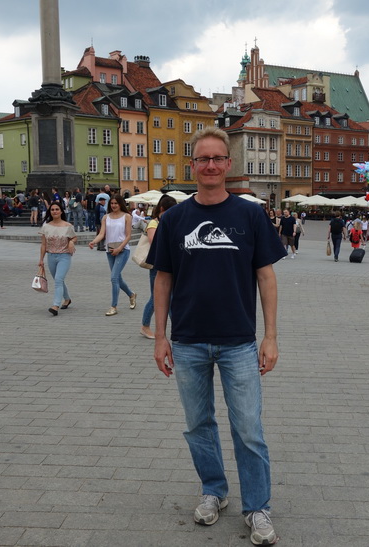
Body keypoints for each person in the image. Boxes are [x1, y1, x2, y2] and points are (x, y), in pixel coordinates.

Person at [149, 127, 285, 546]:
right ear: (192, 166)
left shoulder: (249, 215)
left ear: (228, 165)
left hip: (239, 341)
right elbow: (162, 280)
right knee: (198, 425)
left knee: (248, 428)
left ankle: (257, 507)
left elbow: (266, 276)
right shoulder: (174, 219)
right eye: (202, 159)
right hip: (188, 340)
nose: (210, 165)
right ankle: (214, 491)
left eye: (217, 159)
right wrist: (160, 337)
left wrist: (271, 336)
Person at [89, 194, 136, 316]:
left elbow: (128, 236)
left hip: (123, 250)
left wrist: (120, 248)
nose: (114, 205)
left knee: (114, 278)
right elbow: (102, 234)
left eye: (116, 203)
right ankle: (131, 294)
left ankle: (113, 306)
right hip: (110, 250)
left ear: (120, 204)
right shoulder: (106, 217)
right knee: (118, 278)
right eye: (112, 203)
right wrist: (94, 242)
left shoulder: (127, 217)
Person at [140, 194, 177, 339]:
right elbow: (155, 242)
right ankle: (145, 326)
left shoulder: (169, 222)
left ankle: (176, 328)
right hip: (157, 264)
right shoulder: (154, 224)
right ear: (162, 209)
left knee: (170, 297)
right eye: (170, 210)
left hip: (170, 264)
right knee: (157, 297)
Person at [38, 200, 77, 316]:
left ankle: (55, 305)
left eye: (57, 209)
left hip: (64, 256)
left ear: (61, 211)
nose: (55, 211)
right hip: (51, 256)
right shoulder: (46, 227)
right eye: (52, 210)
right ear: (50, 212)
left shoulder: (68, 226)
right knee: (58, 280)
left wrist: (71, 242)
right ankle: (67, 298)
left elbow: (74, 237)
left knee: (58, 280)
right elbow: (44, 244)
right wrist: (41, 259)